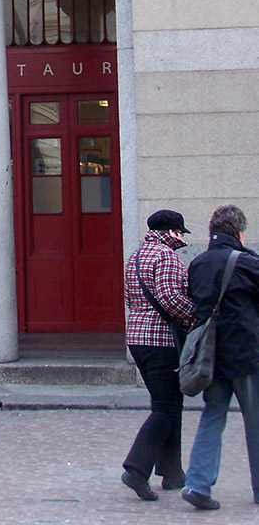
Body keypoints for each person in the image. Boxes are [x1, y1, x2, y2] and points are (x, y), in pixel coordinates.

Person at [182, 204, 259, 511]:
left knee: (212, 417)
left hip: (209, 357)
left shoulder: (198, 264)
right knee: (255, 421)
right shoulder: (248, 263)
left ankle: (197, 483)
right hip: (246, 353)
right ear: (239, 232)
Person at [122, 208, 195, 501]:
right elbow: (170, 298)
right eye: (180, 232)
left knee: (167, 403)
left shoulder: (136, 256)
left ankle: (172, 472)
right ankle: (137, 469)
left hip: (137, 338)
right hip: (161, 339)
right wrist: (195, 317)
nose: (181, 237)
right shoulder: (165, 256)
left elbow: (129, 298)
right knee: (166, 408)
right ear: (171, 232)